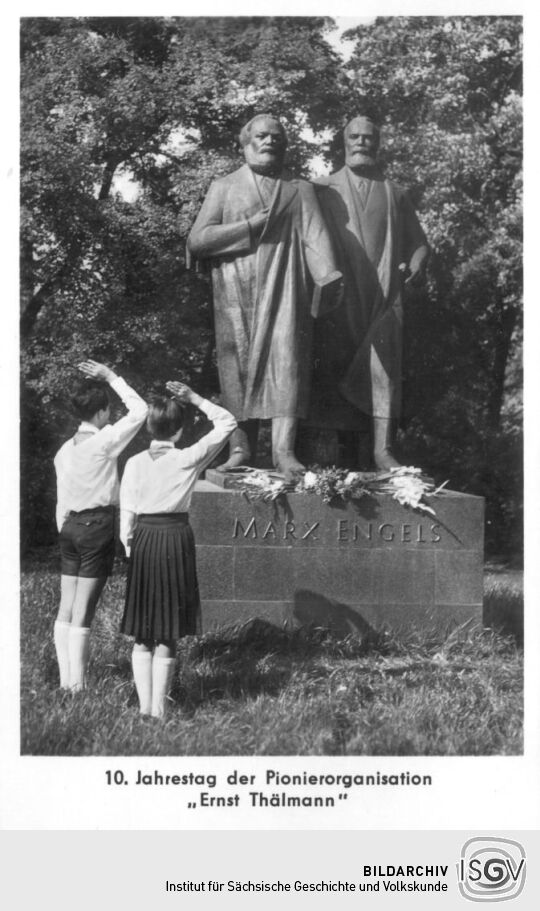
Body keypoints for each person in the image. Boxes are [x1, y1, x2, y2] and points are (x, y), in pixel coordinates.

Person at [187, 113, 341, 481]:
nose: (270, 140)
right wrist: (249, 226)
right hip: (235, 291)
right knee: (235, 366)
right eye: (262, 135)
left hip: (286, 287)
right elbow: (198, 240)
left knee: (287, 363)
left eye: (277, 136)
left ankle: (283, 451)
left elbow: (316, 238)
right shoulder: (224, 186)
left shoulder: (299, 189)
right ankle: (240, 449)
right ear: (246, 143)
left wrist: (329, 277)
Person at [310, 112, 429, 470]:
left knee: (383, 371)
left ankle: (383, 450)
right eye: (355, 137)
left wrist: (419, 262)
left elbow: (419, 243)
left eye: (369, 138)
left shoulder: (396, 193)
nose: (362, 142)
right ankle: (327, 454)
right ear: (343, 143)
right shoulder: (320, 189)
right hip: (341, 299)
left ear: (378, 144)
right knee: (332, 368)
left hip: (383, 298)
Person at [119, 382, 236, 718]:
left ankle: (145, 709)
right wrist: (195, 397)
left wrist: (130, 547)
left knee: (143, 627)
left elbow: (126, 510)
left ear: (148, 428)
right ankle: (157, 710)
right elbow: (227, 423)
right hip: (175, 538)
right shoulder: (187, 457)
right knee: (168, 626)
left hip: (143, 539)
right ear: (181, 430)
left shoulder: (134, 462)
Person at [53, 360, 148, 691]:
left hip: (70, 528)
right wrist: (111, 377)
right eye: (108, 411)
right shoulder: (105, 441)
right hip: (97, 526)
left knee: (67, 605)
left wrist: (65, 529)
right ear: (103, 412)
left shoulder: (64, 451)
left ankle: (67, 683)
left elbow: (61, 502)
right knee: (84, 610)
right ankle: (76, 686)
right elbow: (140, 410)